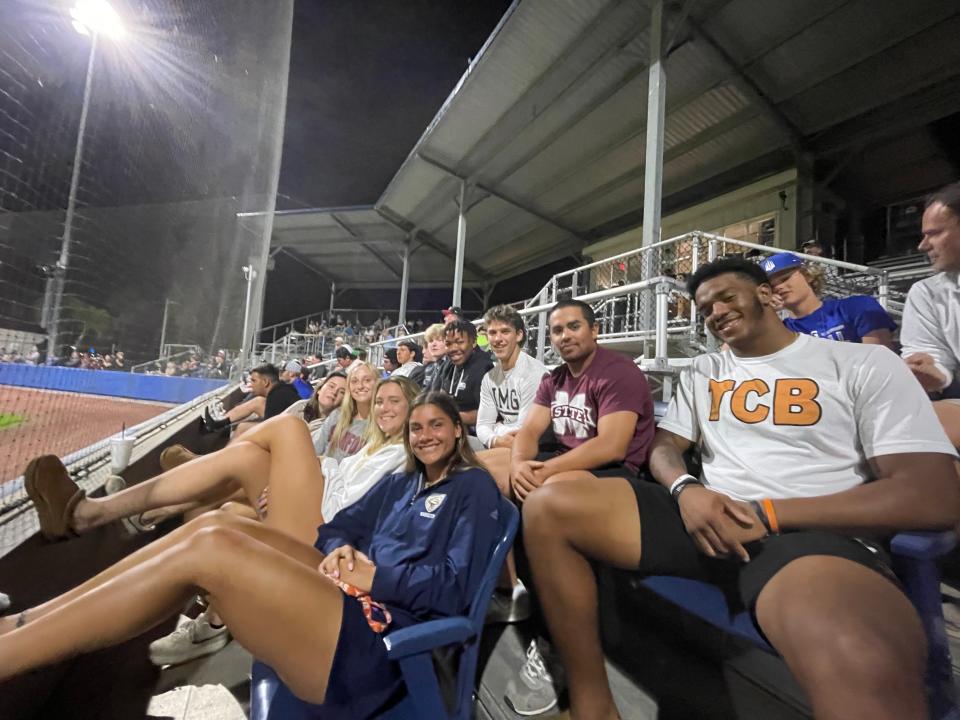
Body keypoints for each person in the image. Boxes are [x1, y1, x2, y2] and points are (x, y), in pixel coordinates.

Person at [513, 258, 959, 719]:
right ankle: (593, 705)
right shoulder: (705, 369)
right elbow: (664, 447)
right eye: (705, 308)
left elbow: (931, 496)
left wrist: (767, 513)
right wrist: (686, 488)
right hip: (704, 516)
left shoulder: (860, 362)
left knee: (855, 652)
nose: (715, 311)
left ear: (766, 294)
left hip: (805, 539)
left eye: (726, 297)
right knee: (550, 506)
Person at [2, 392, 501, 718]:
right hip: (341, 595)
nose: (425, 435)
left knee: (216, 547)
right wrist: (341, 548)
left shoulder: (472, 488)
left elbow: (453, 590)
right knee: (215, 526)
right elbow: (341, 526)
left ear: (458, 431)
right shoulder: (403, 482)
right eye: (417, 428)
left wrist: (378, 577)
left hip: (383, 640)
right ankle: (26, 621)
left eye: (437, 425)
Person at [901, 182, 960, 446]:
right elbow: (932, 355)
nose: (923, 245)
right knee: (906, 431)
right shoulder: (926, 293)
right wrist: (933, 373)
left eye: (934, 233)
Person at [761, 252, 896, 349]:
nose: (779, 287)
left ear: (807, 275)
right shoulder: (780, 330)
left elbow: (880, 360)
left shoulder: (858, 306)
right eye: (771, 286)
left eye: (785, 278)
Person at [476, 305, 548, 450]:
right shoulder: (489, 378)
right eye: (492, 333)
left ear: (519, 335)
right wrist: (495, 440)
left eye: (505, 331)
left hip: (536, 448)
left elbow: (525, 430)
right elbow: (483, 425)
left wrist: (497, 428)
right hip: (502, 444)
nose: (497, 339)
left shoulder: (534, 373)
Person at [313, 362, 377, 460]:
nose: (360, 386)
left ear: (378, 383)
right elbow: (315, 449)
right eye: (354, 381)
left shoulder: (380, 426)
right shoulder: (337, 415)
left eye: (367, 380)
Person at [438, 320, 493, 429]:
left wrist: (451, 417)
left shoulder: (485, 369)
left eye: (459, 342)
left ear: (473, 342)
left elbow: (489, 415)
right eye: (448, 344)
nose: (453, 348)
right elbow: (442, 397)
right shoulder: (447, 365)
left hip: (478, 433)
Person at [422, 322, 448, 390]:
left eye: (439, 340)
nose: (434, 344)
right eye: (430, 341)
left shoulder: (453, 365)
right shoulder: (431, 367)